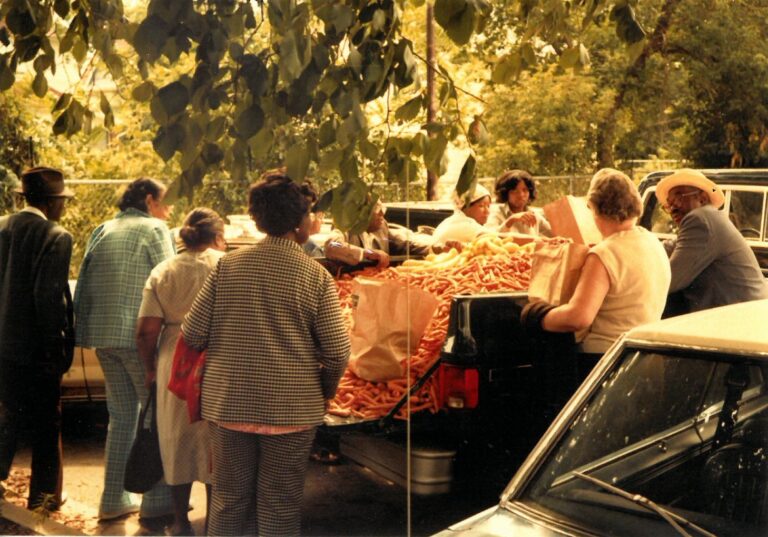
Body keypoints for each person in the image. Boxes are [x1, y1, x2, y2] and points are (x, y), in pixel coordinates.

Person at [182, 172, 350, 537]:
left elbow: (192, 332)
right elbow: (338, 351)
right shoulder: (316, 276)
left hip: (229, 405)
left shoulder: (228, 266)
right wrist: (325, 389)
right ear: (300, 222)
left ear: (258, 219)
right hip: (292, 410)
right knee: (279, 506)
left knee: (228, 502)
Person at [74, 178, 176, 527]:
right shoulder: (155, 229)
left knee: (121, 417)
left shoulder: (102, 229)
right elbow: (168, 280)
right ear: (149, 200)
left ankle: (113, 499)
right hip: (139, 338)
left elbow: (83, 283)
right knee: (154, 416)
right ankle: (156, 504)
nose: (169, 210)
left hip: (103, 335)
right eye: (165, 202)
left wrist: (83, 329)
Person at [521, 168, 671, 370]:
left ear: (596, 208)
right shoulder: (653, 242)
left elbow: (578, 318)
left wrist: (535, 315)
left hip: (604, 359)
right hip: (643, 355)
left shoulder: (605, 253)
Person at [136, 208, 226, 536]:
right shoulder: (227, 266)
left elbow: (146, 331)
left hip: (174, 358)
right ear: (218, 237)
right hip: (218, 357)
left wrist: (149, 368)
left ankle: (180, 521)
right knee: (216, 440)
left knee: (176, 438)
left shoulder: (164, 270)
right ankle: (215, 521)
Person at [0, 167, 74, 511]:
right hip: (36, 350)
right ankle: (43, 500)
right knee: (46, 426)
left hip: (2, 348)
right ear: (50, 202)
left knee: (6, 417)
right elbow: (48, 300)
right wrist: (54, 352)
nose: (63, 206)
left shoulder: (2, 226)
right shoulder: (56, 236)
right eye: (61, 200)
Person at [655, 168, 768, 315]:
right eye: (668, 205)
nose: (672, 209)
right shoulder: (709, 218)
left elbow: (670, 280)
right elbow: (672, 245)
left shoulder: (699, 219)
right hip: (747, 312)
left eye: (678, 198)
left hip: (738, 318)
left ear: (702, 198)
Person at [324, 199, 433, 269]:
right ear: (362, 214)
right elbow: (332, 244)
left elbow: (404, 245)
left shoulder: (382, 227)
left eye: (383, 209)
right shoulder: (345, 227)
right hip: (349, 286)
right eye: (377, 209)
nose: (382, 213)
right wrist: (366, 253)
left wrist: (434, 249)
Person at [487, 169, 552, 236]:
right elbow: (488, 235)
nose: (521, 195)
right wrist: (511, 221)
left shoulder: (534, 214)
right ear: (505, 193)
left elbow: (554, 234)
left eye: (525, 190)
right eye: (515, 191)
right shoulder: (496, 212)